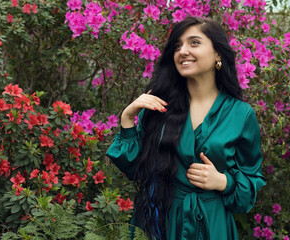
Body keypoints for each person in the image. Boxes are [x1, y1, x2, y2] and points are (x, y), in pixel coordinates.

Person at [106, 17, 266, 240]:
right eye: (178, 46)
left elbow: (250, 180)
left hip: (212, 225)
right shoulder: (158, 105)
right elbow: (134, 169)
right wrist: (127, 118)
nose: (183, 51)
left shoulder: (241, 114)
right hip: (159, 220)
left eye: (194, 43)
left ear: (218, 54)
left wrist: (223, 182)